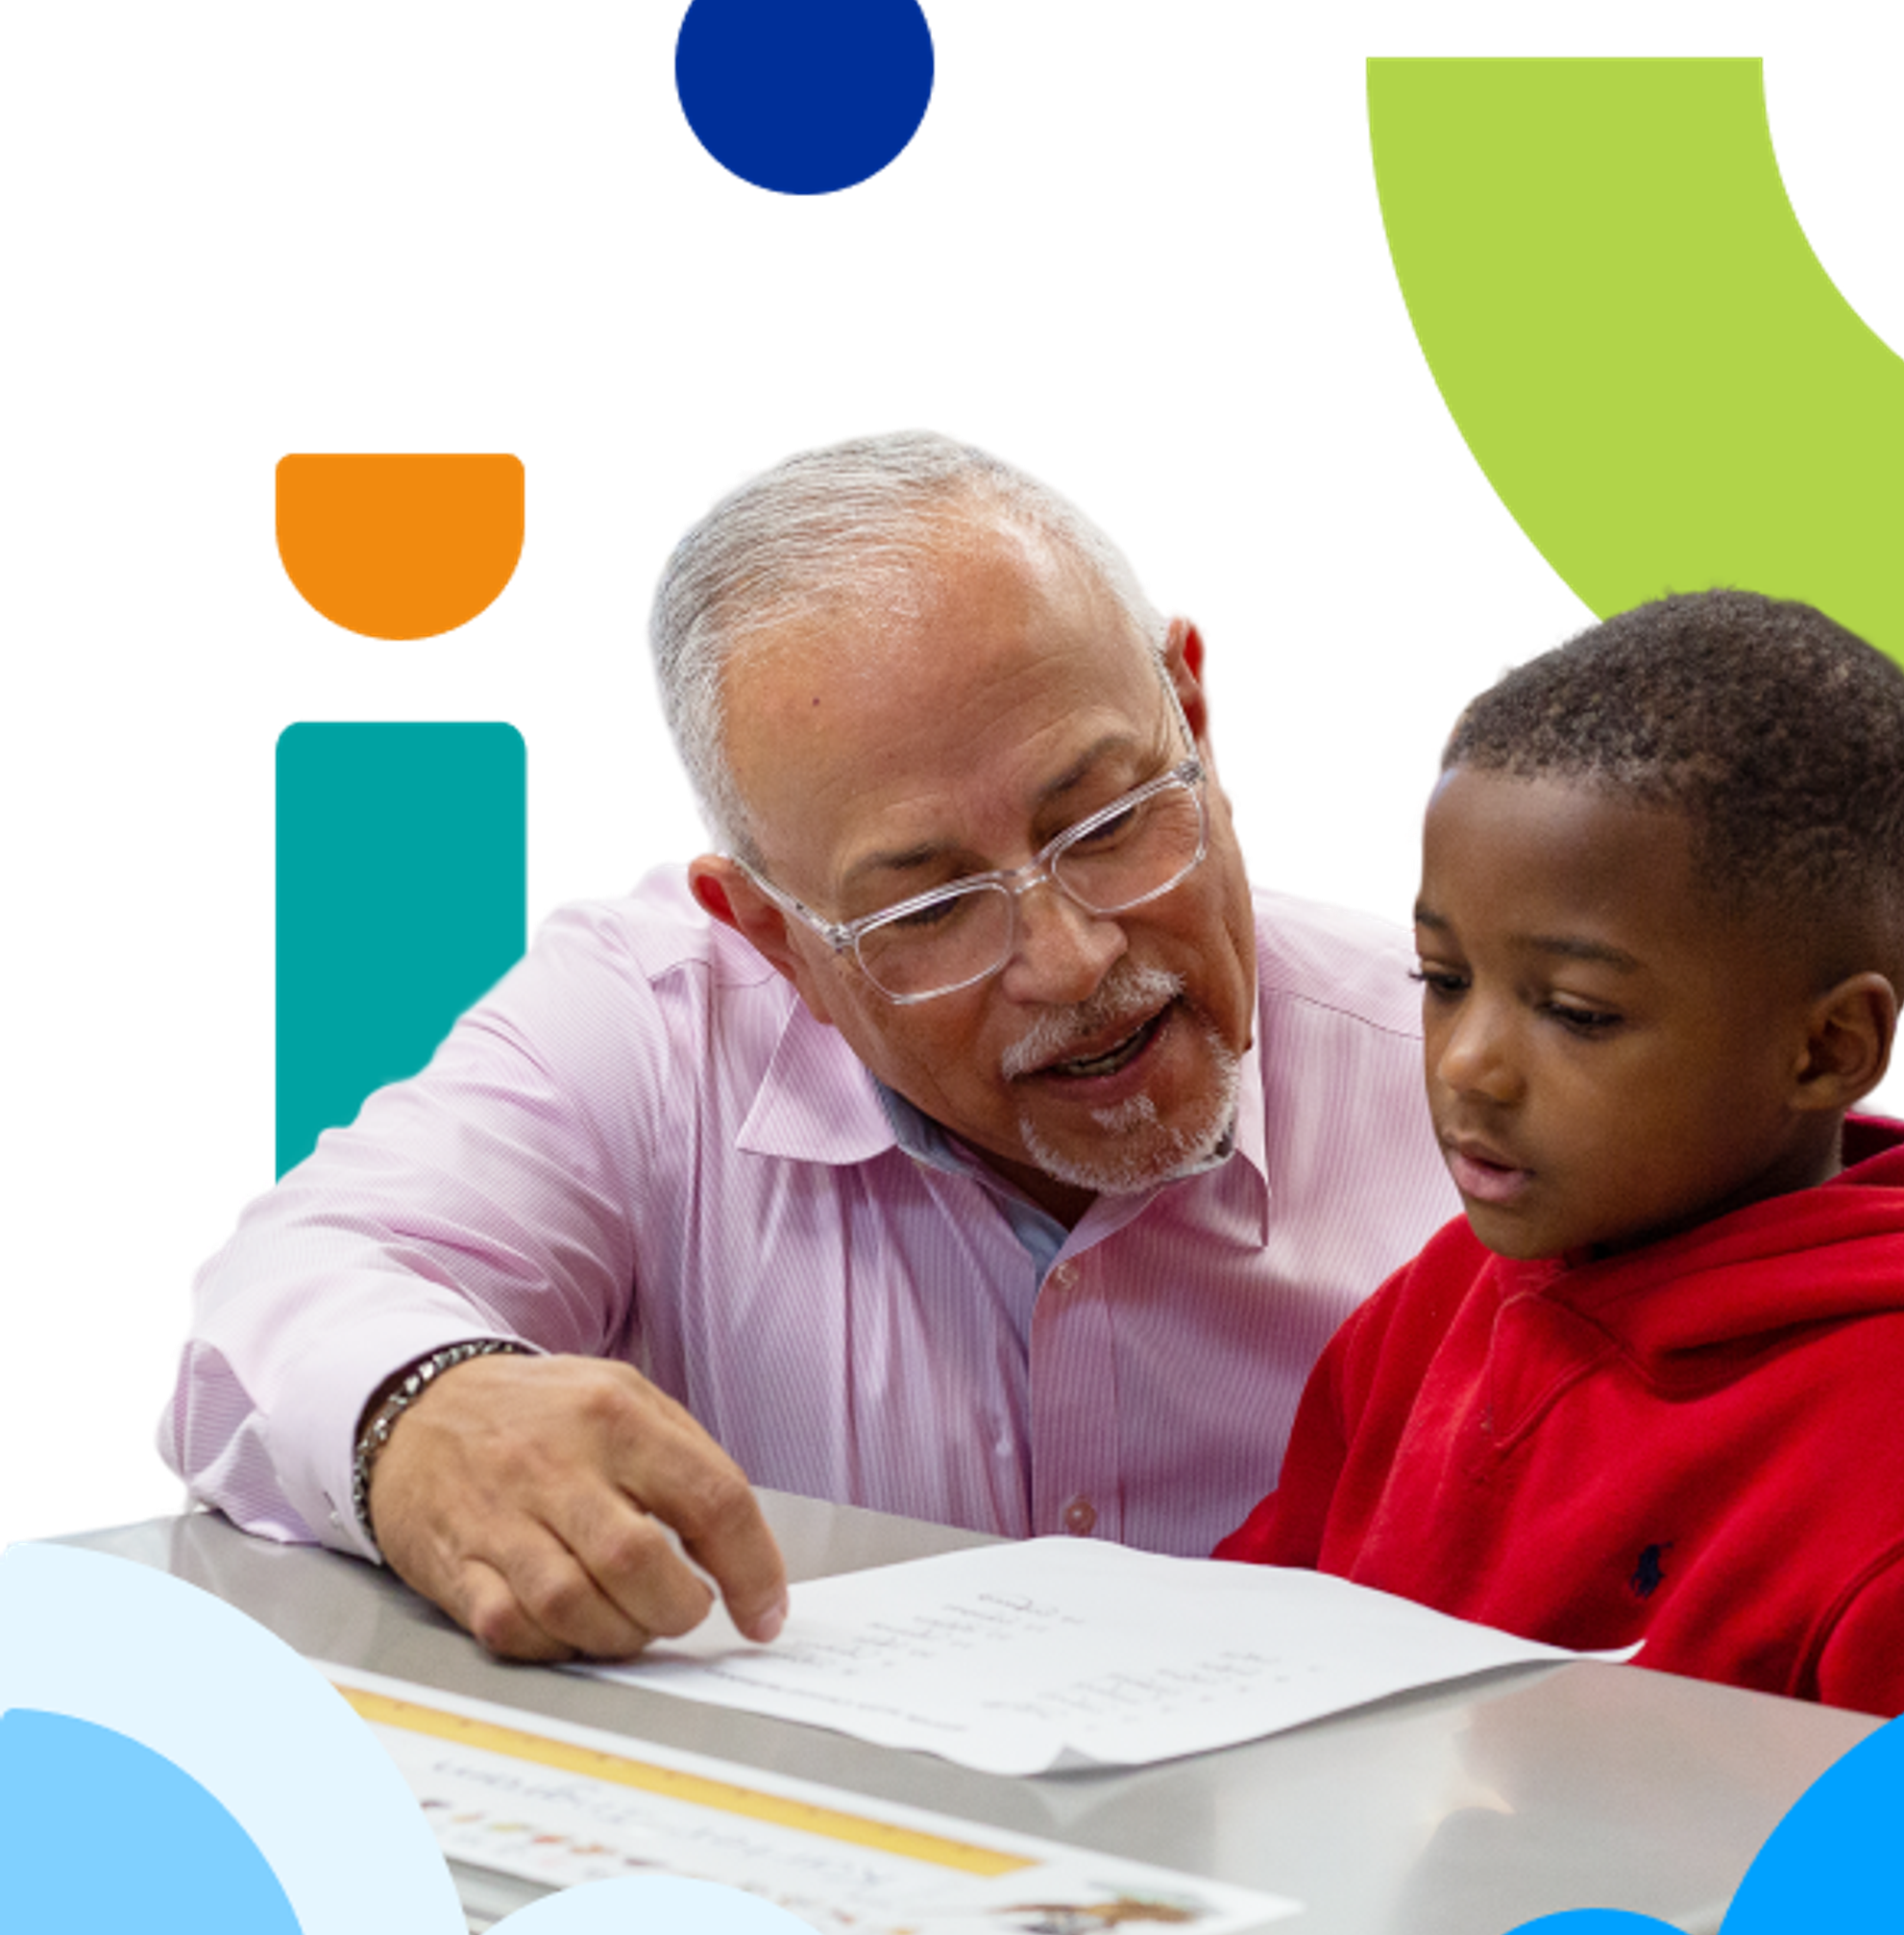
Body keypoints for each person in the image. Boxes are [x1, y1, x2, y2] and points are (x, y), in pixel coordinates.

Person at [156, 429, 1458, 1663]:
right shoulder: (657, 1018)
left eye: (1111, 818)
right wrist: (417, 1412)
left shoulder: (1470, 1071)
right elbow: (295, 1279)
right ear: (772, 934)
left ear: (1193, 703)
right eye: (932, 907)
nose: (1073, 959)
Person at [1213, 589, 1904, 1717]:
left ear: (1827, 1048)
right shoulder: (1444, 1296)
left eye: (1576, 1011)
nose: (1469, 1064)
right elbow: (1248, 1660)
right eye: (1443, 978)